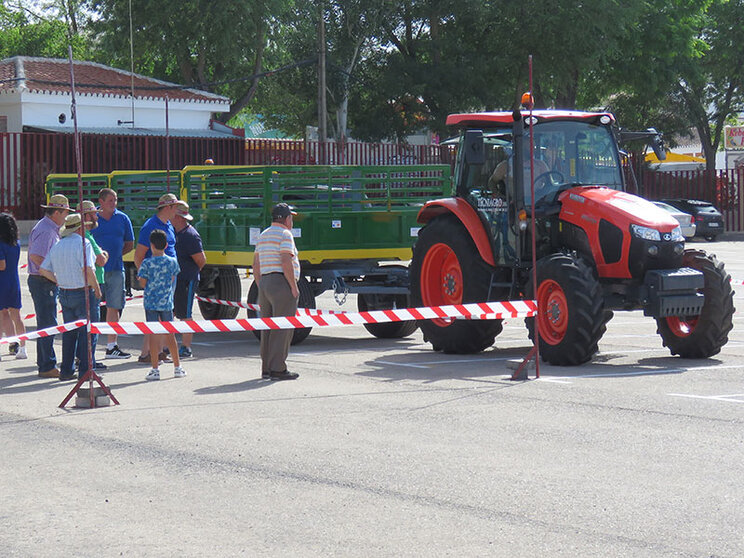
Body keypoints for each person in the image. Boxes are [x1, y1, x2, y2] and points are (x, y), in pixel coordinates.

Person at [39, 213, 102, 381]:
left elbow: (43, 269)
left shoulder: (58, 245)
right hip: (83, 291)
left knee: (69, 333)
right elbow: (88, 269)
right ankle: (86, 371)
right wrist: (96, 288)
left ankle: (66, 370)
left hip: (65, 292)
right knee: (88, 333)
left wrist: (59, 280)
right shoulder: (84, 243)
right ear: (80, 228)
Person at [253, 203, 300, 381]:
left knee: (267, 327)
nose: (292, 221)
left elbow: (255, 264)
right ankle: (278, 368)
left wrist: (261, 285)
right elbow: (286, 261)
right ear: (286, 218)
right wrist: (293, 287)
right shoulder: (285, 234)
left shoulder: (263, 235)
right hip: (281, 283)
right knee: (283, 327)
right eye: (291, 217)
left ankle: (266, 368)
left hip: (265, 282)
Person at [134, 193, 182, 364]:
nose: (177, 210)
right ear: (168, 207)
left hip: (168, 277)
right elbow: (139, 255)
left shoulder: (167, 225)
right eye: (175, 206)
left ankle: (159, 352)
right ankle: (147, 353)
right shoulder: (150, 226)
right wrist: (146, 277)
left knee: (164, 316)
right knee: (155, 318)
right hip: (157, 278)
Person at [27, 193, 71, 378]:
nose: (66, 217)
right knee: (48, 323)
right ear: (57, 212)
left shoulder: (48, 228)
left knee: (47, 322)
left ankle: (46, 363)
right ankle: (47, 365)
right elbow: (36, 257)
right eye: (65, 213)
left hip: (43, 281)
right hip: (43, 282)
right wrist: (54, 277)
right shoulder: (46, 230)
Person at [91, 187, 135, 360]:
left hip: (116, 269)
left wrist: (114, 256)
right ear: (101, 202)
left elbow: (129, 243)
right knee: (92, 308)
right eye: (110, 200)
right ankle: (89, 350)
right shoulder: (92, 217)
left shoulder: (122, 218)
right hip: (95, 271)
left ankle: (111, 346)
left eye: (115, 200)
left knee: (114, 306)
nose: (113, 204)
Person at [137, 229, 185, 381]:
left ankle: (155, 368)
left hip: (151, 302)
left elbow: (143, 282)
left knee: (153, 335)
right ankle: (177, 367)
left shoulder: (147, 263)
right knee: (170, 334)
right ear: (166, 245)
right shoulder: (172, 262)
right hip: (166, 302)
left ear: (151, 245)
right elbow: (172, 278)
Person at [172, 203, 206, 358]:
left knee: (185, 314)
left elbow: (201, 260)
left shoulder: (190, 235)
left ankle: (186, 347)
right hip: (175, 280)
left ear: (178, 217)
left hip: (186, 279)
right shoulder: (173, 232)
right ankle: (168, 345)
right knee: (170, 312)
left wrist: (190, 273)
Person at [79, 200, 109, 370]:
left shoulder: (83, 235)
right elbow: (101, 260)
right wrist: (105, 253)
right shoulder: (87, 236)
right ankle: (88, 361)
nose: (97, 216)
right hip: (92, 284)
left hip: (86, 284)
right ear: (87, 216)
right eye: (94, 213)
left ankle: (83, 359)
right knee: (92, 326)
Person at [0, 213, 27, 360]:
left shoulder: (0, 244)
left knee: (2, 315)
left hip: (2, 282)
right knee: (16, 316)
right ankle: (21, 347)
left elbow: (1, 265)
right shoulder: (16, 243)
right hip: (13, 280)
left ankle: (9, 342)